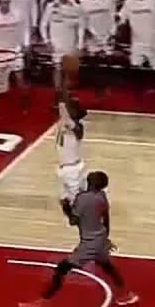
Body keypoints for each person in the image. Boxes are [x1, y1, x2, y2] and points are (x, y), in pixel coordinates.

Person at [18, 171, 139, 307]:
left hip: (89, 244)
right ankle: (127, 296)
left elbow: (73, 221)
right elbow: (106, 220)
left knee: (62, 269)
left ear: (90, 183)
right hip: (101, 239)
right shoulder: (102, 197)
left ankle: (42, 304)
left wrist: (66, 207)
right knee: (109, 268)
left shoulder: (83, 199)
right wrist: (106, 239)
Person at [0, 0, 28, 114]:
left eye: (7, 2)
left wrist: (24, 45)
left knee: (20, 80)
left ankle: (24, 104)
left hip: (15, 51)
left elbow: (23, 30)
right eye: (3, 2)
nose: (6, 5)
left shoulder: (17, 14)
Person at [41, 0, 85, 90]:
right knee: (57, 68)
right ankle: (57, 93)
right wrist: (47, 41)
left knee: (68, 70)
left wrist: (80, 45)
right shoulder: (51, 7)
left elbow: (81, 27)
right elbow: (43, 25)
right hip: (56, 43)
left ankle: (66, 94)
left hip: (70, 43)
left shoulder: (77, 7)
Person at [56, 91, 86, 220]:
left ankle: (75, 216)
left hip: (73, 167)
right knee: (68, 198)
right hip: (68, 168)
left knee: (74, 197)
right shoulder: (64, 123)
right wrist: (63, 100)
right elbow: (63, 114)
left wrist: (63, 100)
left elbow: (65, 115)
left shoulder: (77, 127)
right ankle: (73, 217)